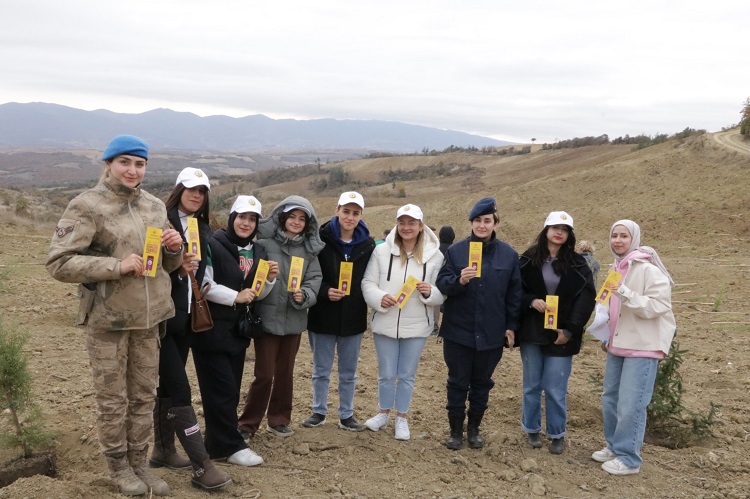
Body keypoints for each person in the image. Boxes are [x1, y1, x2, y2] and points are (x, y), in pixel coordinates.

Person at [47, 135, 184, 496]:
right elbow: (59, 263)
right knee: (113, 399)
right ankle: (119, 468)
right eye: (125, 162)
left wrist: (175, 250)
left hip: (149, 319)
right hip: (108, 320)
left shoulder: (155, 206)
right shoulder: (87, 205)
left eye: (140, 164)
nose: (133, 170)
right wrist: (115, 265)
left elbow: (166, 266)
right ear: (107, 164)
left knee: (142, 396)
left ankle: (140, 463)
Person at [148, 167, 231, 490]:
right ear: (179, 189)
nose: (197, 195)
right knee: (181, 390)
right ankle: (202, 466)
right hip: (163, 318)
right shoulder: (159, 220)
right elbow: (149, 265)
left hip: (185, 320)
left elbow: (204, 273)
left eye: (202, 191)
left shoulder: (201, 227)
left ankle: (164, 450)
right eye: (191, 189)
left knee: (168, 389)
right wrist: (175, 268)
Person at [191, 195, 278, 467]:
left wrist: (270, 281)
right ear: (232, 218)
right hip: (212, 328)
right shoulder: (213, 244)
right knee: (221, 389)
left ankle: (217, 443)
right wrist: (234, 296)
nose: (246, 223)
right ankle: (229, 445)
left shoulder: (257, 251)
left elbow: (256, 293)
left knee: (229, 387)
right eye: (242, 217)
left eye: (252, 219)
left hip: (237, 333)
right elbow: (203, 284)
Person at [591, 220, 676, 475]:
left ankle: (629, 458)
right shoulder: (616, 268)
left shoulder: (648, 269)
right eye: (614, 235)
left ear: (634, 239)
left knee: (632, 403)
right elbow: (608, 306)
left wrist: (626, 293)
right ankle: (615, 446)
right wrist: (605, 334)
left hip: (642, 346)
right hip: (617, 344)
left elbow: (659, 306)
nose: (617, 240)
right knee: (611, 399)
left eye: (623, 236)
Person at [436, 197, 521, 450]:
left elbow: (514, 294)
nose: (482, 226)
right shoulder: (456, 251)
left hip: (491, 333)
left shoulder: (508, 255)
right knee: (457, 382)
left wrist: (511, 325)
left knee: (482, 384)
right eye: (478, 221)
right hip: (458, 332)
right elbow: (443, 284)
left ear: (495, 223)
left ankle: (474, 430)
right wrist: (459, 281)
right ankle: (455, 432)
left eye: (487, 221)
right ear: (471, 222)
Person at [238, 195, 324, 438]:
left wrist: (305, 295)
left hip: (294, 320)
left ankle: (278, 420)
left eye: (301, 219)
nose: (296, 222)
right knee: (264, 374)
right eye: (292, 217)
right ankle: (248, 423)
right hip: (266, 319)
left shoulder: (309, 250)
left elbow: (314, 279)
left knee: (285, 373)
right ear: (282, 217)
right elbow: (253, 273)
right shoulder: (264, 244)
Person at [361, 204, 444, 441]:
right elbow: (368, 283)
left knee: (407, 374)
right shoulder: (381, 252)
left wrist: (430, 292)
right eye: (402, 222)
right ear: (397, 225)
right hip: (385, 322)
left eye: (412, 223)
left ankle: (402, 418)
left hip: (417, 326)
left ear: (421, 225)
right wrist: (379, 299)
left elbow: (442, 293)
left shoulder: (435, 256)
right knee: (386, 373)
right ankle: (383, 413)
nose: (406, 228)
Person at [517, 211, 596, 455]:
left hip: (562, 333)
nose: (559, 232)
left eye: (565, 229)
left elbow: (586, 298)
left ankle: (557, 433)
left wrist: (571, 329)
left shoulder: (578, 263)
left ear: (569, 234)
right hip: (532, 331)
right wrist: (531, 301)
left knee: (555, 387)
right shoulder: (528, 259)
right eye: (555, 227)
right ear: (546, 230)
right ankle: (531, 428)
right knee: (532, 384)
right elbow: (514, 290)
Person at [304, 191, 376, 431]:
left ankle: (346, 414)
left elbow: (370, 279)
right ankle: (318, 411)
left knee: (349, 372)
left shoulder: (368, 244)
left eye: (355, 213)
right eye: (346, 211)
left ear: (361, 216)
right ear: (337, 210)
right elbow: (310, 274)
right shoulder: (319, 239)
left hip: (353, 317)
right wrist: (325, 291)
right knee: (321, 369)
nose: (350, 217)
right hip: (322, 315)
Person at [433, 225, 455, 334]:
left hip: (436, 279)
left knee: (436, 304)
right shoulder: (455, 249)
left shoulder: (435, 249)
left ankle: (435, 325)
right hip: (451, 280)